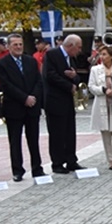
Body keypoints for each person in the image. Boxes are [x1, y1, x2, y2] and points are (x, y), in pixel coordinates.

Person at [0, 33, 46, 181]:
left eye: (20, 44)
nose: (18, 47)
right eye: (15, 44)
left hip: (32, 107)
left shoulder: (31, 61)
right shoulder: (2, 63)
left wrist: (33, 97)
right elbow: (6, 85)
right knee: (15, 141)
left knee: (33, 139)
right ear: (8, 46)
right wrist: (24, 98)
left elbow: (38, 81)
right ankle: (17, 170)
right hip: (14, 107)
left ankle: (37, 168)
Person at [42, 34, 84, 173]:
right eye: (78, 47)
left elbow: (76, 76)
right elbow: (49, 75)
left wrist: (74, 77)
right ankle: (57, 163)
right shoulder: (51, 54)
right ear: (70, 45)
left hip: (68, 101)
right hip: (54, 100)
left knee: (70, 132)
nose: (79, 51)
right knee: (57, 133)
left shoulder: (71, 58)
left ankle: (71, 160)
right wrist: (68, 85)